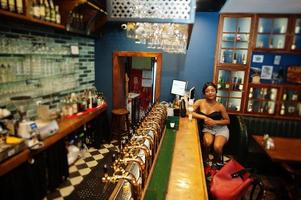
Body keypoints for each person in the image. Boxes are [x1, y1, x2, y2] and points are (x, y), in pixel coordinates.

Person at [192, 82, 230, 166]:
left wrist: (214, 122)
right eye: (207, 91)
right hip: (208, 128)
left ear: (216, 92)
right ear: (204, 93)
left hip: (221, 129)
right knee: (207, 142)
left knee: (217, 147)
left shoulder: (220, 106)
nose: (210, 93)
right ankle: (205, 161)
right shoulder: (200, 102)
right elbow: (190, 112)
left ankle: (215, 163)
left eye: (212, 90)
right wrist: (204, 117)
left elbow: (227, 121)